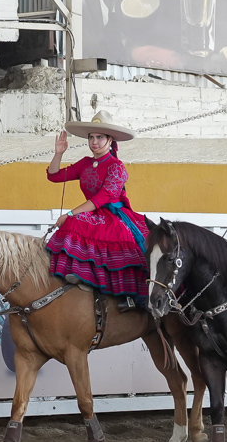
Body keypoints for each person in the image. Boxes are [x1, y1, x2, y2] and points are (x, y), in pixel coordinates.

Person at [46, 111, 149, 306]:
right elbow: (54, 176)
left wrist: (70, 213)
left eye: (100, 137)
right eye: (91, 137)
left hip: (115, 215)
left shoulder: (116, 167)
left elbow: (102, 198)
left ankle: (127, 297)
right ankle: (79, 277)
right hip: (92, 213)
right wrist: (58, 153)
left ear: (110, 140)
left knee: (76, 220)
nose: (94, 142)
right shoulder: (85, 163)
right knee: (77, 221)